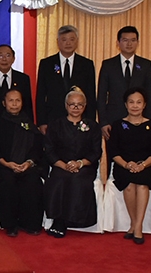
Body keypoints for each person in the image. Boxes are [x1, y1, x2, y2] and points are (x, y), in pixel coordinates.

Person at [0, 89, 45, 237]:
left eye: (18, 101)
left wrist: (28, 163)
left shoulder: (29, 124)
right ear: (4, 103)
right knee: (7, 181)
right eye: (11, 101)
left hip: (27, 166)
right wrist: (7, 163)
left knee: (32, 181)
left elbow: (37, 149)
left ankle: (30, 223)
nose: (14, 104)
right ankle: (10, 225)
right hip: (5, 166)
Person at [43, 87, 101, 238]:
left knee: (77, 179)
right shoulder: (55, 125)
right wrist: (64, 165)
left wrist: (80, 163)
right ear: (66, 105)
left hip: (84, 166)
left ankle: (76, 220)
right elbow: (49, 150)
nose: (76, 108)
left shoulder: (92, 126)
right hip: (60, 165)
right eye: (72, 104)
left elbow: (96, 152)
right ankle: (59, 220)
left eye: (79, 105)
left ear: (85, 106)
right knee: (59, 179)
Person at [106, 87, 151, 245]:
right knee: (129, 185)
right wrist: (126, 164)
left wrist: (142, 165)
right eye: (131, 102)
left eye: (139, 102)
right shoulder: (117, 125)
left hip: (146, 165)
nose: (135, 105)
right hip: (123, 165)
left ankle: (137, 227)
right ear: (125, 104)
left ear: (144, 105)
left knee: (142, 185)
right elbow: (113, 151)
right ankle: (134, 223)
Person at [97, 26, 151, 141]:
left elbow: (150, 95)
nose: (129, 44)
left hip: (139, 120)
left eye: (133, 40)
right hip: (113, 120)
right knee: (115, 156)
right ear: (118, 43)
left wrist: (148, 121)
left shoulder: (145, 65)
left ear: (138, 42)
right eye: (125, 40)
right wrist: (103, 122)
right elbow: (101, 95)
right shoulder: (108, 65)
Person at [36, 25, 96, 135]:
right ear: (58, 42)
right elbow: (40, 95)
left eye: (72, 39)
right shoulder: (46, 64)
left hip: (80, 120)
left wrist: (90, 121)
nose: (68, 43)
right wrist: (42, 122)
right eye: (64, 40)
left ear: (77, 41)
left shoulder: (86, 64)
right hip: (53, 119)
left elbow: (91, 96)